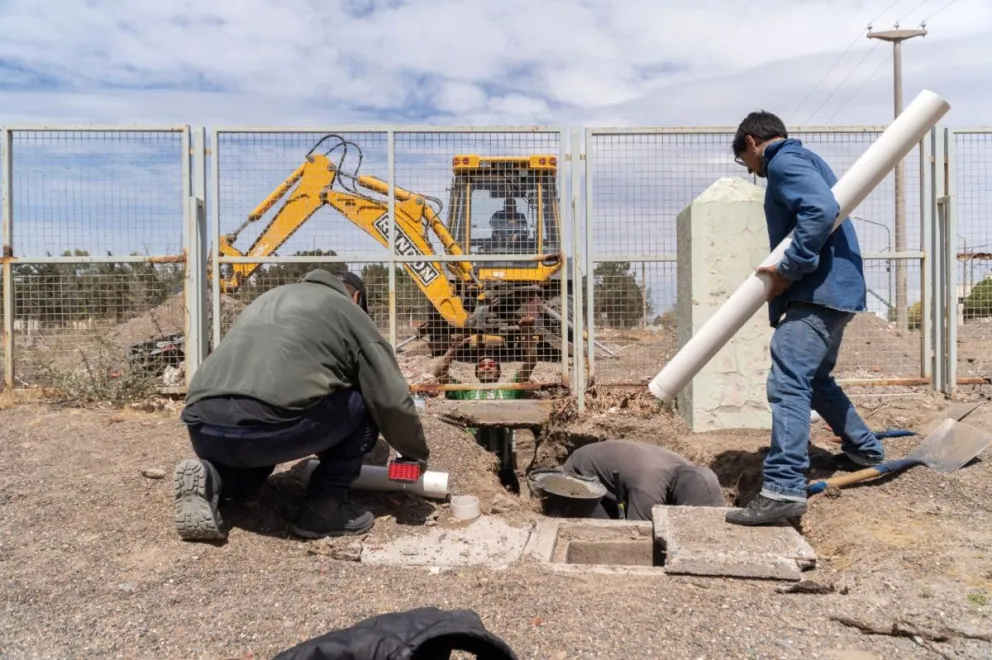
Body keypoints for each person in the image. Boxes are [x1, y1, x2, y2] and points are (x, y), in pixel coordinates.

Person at [173, 269, 430, 541]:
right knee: (365, 397)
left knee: (258, 431)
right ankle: (325, 506)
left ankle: (215, 480)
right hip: (273, 429)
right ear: (356, 297)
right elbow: (390, 398)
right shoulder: (347, 309)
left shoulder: (268, 298)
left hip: (203, 425)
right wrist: (414, 456)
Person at [726, 110, 885, 526]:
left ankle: (782, 488)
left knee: (788, 381)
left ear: (751, 143)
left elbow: (819, 209)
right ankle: (864, 450)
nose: (752, 171)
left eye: (746, 162)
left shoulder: (783, 162)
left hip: (816, 292)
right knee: (815, 380)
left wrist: (788, 269)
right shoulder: (807, 158)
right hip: (836, 289)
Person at [563, 441, 725, 521]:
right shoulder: (649, 490)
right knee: (605, 533)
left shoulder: (690, 473)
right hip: (581, 474)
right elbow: (639, 536)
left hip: (620, 476)